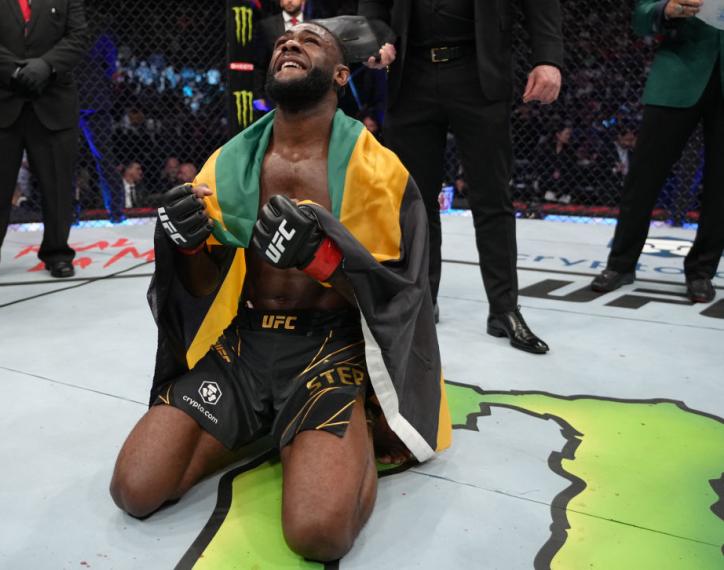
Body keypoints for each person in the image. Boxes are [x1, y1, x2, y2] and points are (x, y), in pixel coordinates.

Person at [110, 22, 450, 562]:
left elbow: (400, 297)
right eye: (284, 43)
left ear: (340, 73)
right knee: (135, 489)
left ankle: (346, 427)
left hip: (328, 350)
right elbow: (202, 288)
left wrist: (320, 258)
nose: (290, 44)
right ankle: (265, 425)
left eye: (310, 41)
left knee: (318, 534)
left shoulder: (380, 171)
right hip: (243, 350)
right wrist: (190, 245)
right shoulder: (229, 162)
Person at [358, 0, 564, 354]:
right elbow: (372, 7)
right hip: (412, 75)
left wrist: (548, 59)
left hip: (479, 72)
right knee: (414, 200)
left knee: (492, 196)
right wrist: (377, 38)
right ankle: (421, 301)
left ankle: (504, 308)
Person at [591, 0, 723, 304]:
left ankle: (701, 271)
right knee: (644, 177)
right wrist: (666, 9)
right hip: (677, 76)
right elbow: (640, 16)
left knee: (721, 187)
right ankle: (620, 265)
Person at [0, 0, 89, 288]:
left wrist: (46, 66)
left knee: (58, 184)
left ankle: (57, 253)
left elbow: (78, 36)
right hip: (2, 98)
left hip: (52, 99)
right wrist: (16, 70)